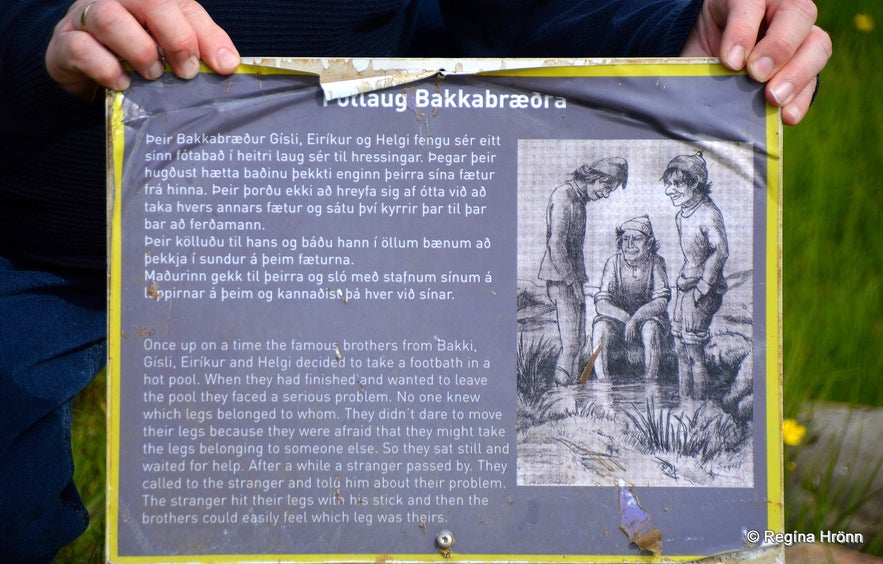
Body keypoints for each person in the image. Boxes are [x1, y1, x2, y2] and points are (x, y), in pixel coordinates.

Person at [0, 0, 831, 560]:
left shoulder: (658, 226)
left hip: (380, 225)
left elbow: (527, 12)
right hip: (49, 214)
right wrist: (47, 35)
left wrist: (677, 32)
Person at [538, 158, 629, 385]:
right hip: (562, 279)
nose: (606, 194)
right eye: (606, 187)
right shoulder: (564, 196)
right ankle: (563, 394)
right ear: (594, 178)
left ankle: (571, 395)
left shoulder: (578, 200)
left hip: (572, 278)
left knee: (577, 342)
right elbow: (556, 244)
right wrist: (572, 281)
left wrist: (577, 280)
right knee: (571, 343)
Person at [662, 152, 729, 399]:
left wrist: (703, 285)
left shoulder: (709, 213)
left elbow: (720, 250)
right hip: (685, 288)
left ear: (696, 183)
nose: (670, 190)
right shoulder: (682, 215)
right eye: (668, 184)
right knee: (680, 348)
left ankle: (699, 408)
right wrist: (685, 282)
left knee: (694, 350)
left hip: (703, 290)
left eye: (677, 184)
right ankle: (685, 403)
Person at [592, 215, 671, 381]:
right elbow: (601, 303)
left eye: (636, 239)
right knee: (600, 328)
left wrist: (636, 319)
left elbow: (661, 301)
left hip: (649, 319)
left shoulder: (656, 262)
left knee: (650, 329)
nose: (629, 245)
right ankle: (603, 381)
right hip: (619, 321)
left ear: (649, 244)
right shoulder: (613, 263)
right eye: (625, 239)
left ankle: (650, 381)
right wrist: (627, 319)